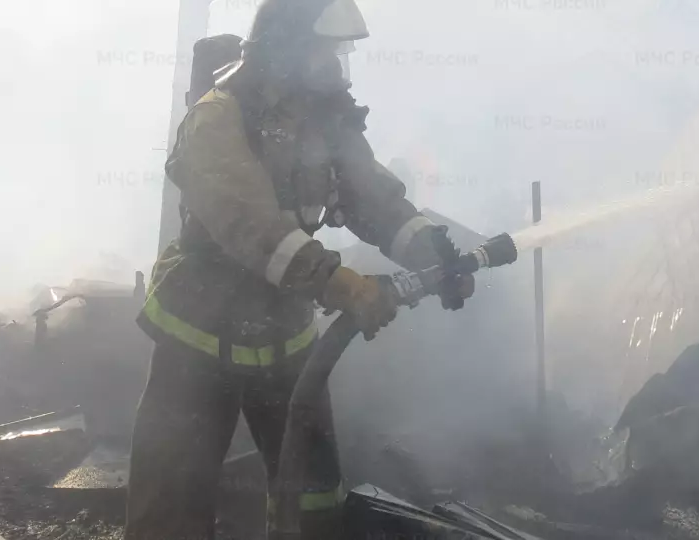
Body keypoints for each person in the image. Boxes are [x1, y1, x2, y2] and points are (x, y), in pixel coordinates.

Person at [124, 1, 474, 539]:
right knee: (172, 503)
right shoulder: (220, 115)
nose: (335, 64)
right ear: (285, 46)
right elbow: (253, 228)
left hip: (284, 337)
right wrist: (342, 283)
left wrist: (432, 250)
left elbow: (369, 196)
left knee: (314, 495)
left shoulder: (324, 117)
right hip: (198, 338)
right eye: (324, 50)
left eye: (339, 52)